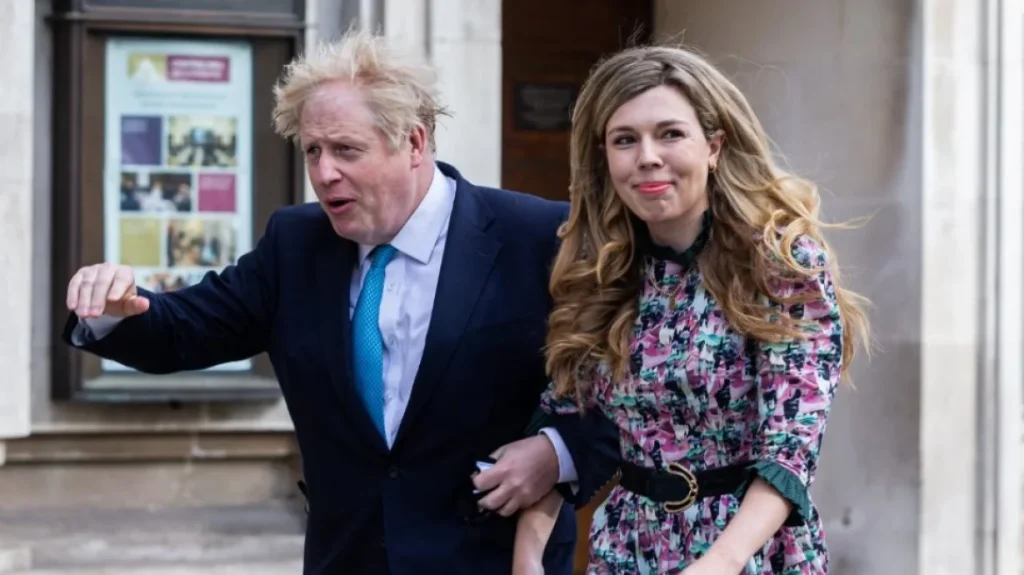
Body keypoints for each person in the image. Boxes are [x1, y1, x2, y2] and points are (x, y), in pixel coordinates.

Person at [61, 29, 616, 575]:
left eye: (346, 150)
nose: (324, 173)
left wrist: (556, 454)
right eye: (313, 151)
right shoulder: (294, 244)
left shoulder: (537, 236)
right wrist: (114, 306)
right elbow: (184, 329)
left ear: (414, 143)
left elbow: (632, 387)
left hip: (491, 560)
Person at [511, 44, 871, 574]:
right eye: (625, 140)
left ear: (714, 147)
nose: (647, 156)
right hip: (627, 548)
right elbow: (567, 415)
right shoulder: (605, 272)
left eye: (670, 134)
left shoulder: (780, 264)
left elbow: (789, 448)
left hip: (748, 551)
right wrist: (528, 556)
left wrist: (719, 562)